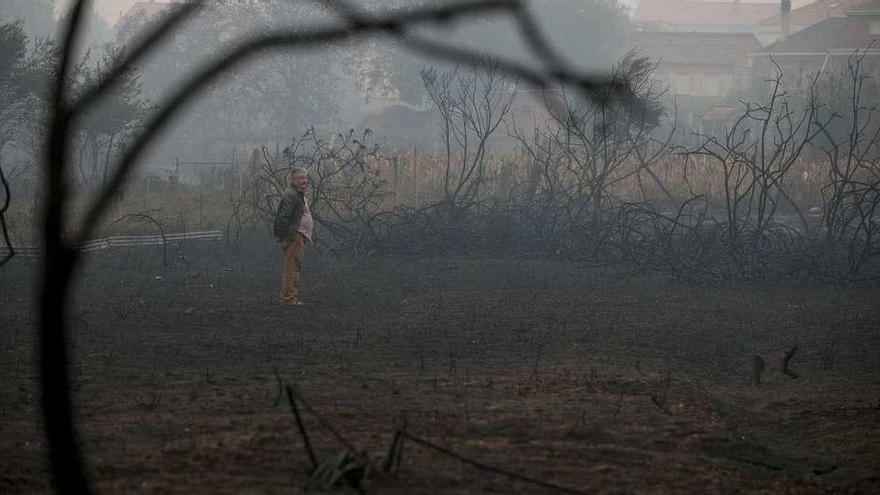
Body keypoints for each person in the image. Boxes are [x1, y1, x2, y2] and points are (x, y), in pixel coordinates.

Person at [273, 167, 314, 304]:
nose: (305, 181)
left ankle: (289, 296)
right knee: (292, 266)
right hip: (295, 236)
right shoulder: (291, 195)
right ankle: (289, 298)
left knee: (294, 265)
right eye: (301, 178)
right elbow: (283, 218)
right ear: (293, 180)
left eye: (306, 178)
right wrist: (285, 237)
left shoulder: (298, 194)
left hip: (299, 235)